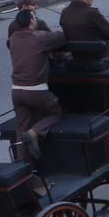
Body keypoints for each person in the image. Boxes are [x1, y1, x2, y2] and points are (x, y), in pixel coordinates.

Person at [8, 9, 65, 160]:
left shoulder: (13, 38)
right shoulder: (39, 37)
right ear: (32, 21)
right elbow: (60, 37)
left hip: (16, 92)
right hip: (36, 92)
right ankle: (35, 132)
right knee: (55, 112)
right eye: (34, 18)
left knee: (21, 129)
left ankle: (24, 171)